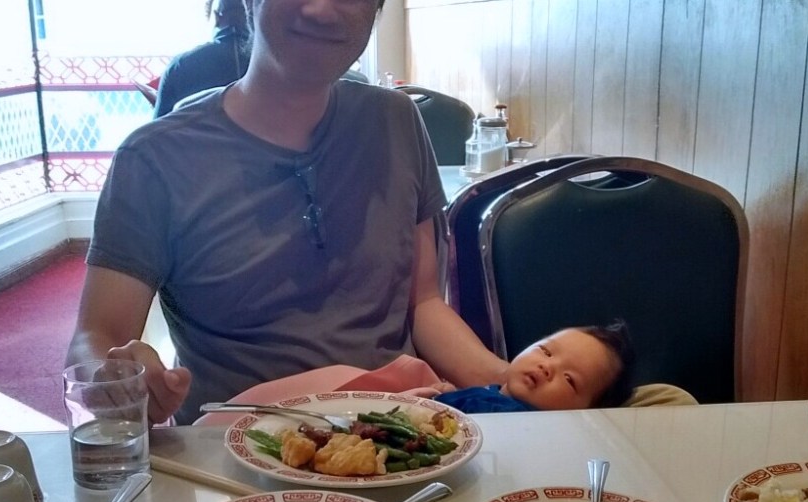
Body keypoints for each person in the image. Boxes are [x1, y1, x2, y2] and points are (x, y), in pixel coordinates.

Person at [67, 0, 506, 426]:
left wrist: (509, 383)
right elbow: (94, 339)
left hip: (395, 436)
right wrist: (119, 378)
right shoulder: (153, 158)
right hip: (233, 455)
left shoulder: (395, 121)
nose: (320, 9)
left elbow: (424, 304)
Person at [433, 322, 636, 414]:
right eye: (546, 351)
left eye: (569, 379)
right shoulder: (493, 394)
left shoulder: (509, 416)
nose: (546, 366)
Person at [153, 0, 251, 118]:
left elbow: (159, 123)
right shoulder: (271, 62)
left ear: (216, 17)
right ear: (252, 16)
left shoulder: (180, 65)